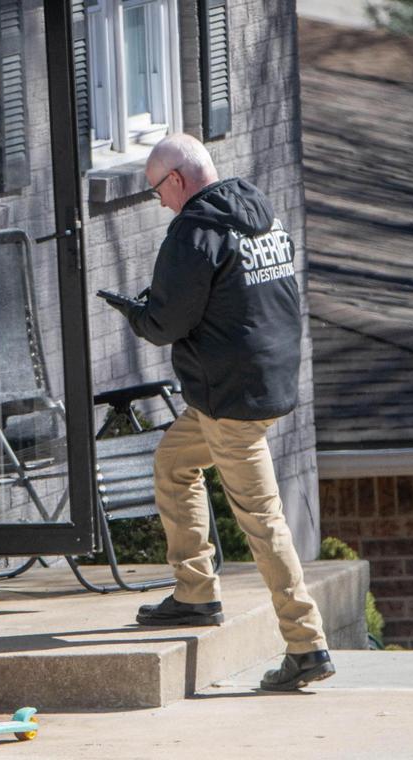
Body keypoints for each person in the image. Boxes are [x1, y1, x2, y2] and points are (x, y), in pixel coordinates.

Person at [114, 133, 334, 692]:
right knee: (173, 465)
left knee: (261, 517)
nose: (159, 202)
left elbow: (167, 323)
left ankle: (307, 644)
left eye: (157, 191)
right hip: (262, 384)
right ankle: (195, 592)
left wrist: (138, 314)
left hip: (230, 401)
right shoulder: (258, 212)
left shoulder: (195, 232)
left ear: (178, 181)